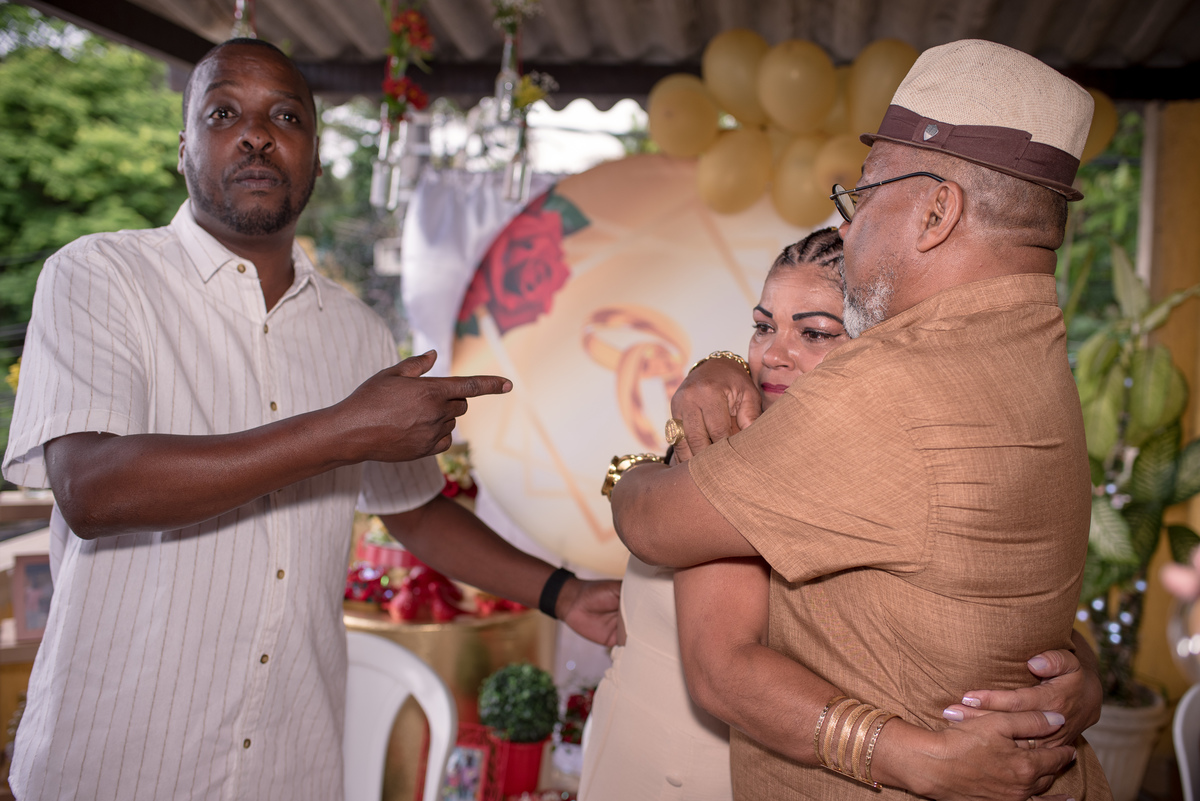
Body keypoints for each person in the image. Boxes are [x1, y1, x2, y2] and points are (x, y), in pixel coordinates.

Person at [1, 38, 618, 801]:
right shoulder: (99, 276)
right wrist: (344, 429)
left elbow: (416, 510)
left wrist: (564, 593)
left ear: (316, 158)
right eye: (224, 112)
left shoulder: (355, 332)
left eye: (285, 115)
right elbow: (93, 490)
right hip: (117, 763)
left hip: (287, 766)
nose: (257, 134)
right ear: (184, 145)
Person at [609, 39, 1111, 799]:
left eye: (866, 193)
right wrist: (1078, 665)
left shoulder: (887, 385)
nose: (847, 225)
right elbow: (966, 572)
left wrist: (646, 463)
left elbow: (653, 527)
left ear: (939, 209)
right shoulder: (1036, 361)